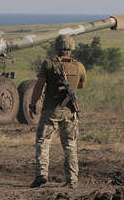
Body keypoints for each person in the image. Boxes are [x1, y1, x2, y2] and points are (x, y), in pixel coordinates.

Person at [29, 34, 87, 188]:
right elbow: (82, 85)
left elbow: (39, 86)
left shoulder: (48, 64)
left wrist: (32, 104)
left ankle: (41, 174)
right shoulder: (79, 66)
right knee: (70, 145)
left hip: (50, 111)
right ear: (71, 48)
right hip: (69, 113)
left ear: (57, 47)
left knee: (43, 141)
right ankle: (72, 180)